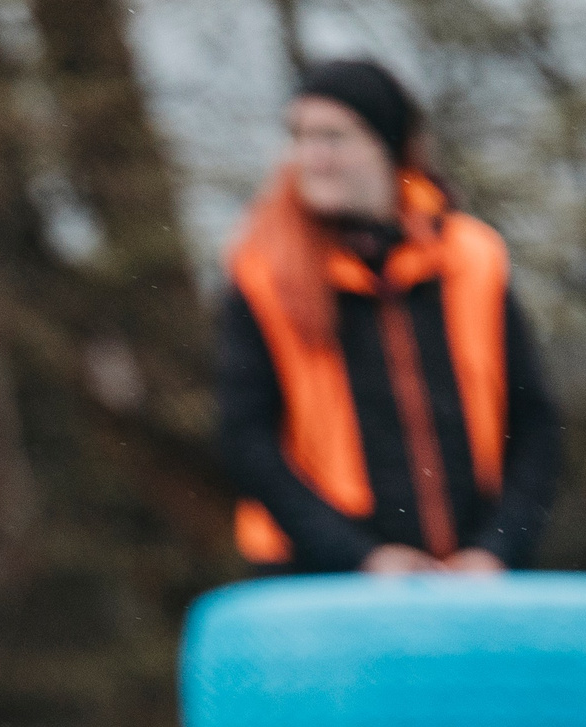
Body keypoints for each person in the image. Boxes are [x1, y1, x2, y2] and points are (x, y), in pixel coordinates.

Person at [216, 60, 562, 575]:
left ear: (387, 143)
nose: (312, 157)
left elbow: (534, 425)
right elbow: (247, 445)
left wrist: (496, 549)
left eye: (333, 137)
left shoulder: (473, 256)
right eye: (299, 137)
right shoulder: (262, 272)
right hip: (317, 582)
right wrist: (362, 558)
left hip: (473, 581)